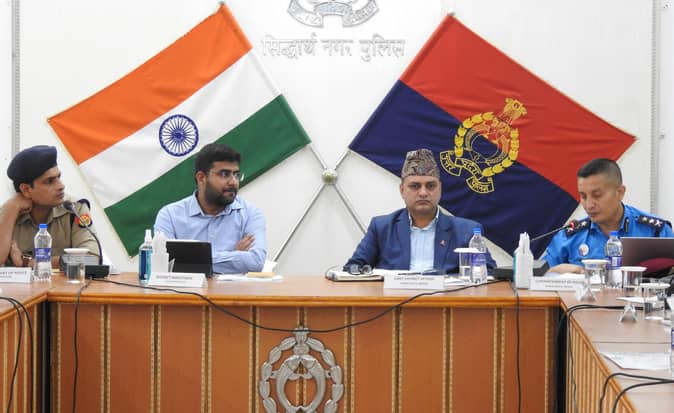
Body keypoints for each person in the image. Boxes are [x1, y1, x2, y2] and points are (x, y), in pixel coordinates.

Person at [344, 148, 496, 274]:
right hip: (395, 300)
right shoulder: (382, 227)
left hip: (445, 299)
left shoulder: (467, 230)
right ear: (402, 190)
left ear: (440, 189)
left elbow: (488, 273)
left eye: (430, 186)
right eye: (415, 186)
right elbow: (353, 268)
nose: (423, 193)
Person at [544, 158, 673, 274]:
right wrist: (554, 272)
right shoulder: (570, 236)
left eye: (597, 195)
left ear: (620, 193)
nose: (589, 205)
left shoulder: (655, 231)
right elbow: (543, 276)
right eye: (583, 196)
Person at [154, 143, 266, 274]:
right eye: (224, 174)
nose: (233, 182)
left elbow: (256, 262)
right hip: (187, 288)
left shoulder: (250, 214)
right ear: (201, 178)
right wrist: (233, 254)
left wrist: (188, 260)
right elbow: (162, 264)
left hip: (233, 288)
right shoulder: (169, 215)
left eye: (236, 175)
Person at [0, 145, 99, 268]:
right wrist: (12, 207)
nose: (61, 186)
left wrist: (29, 262)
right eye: (50, 181)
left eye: (59, 177)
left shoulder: (74, 209)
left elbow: (92, 258)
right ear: (26, 189)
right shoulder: (9, 213)